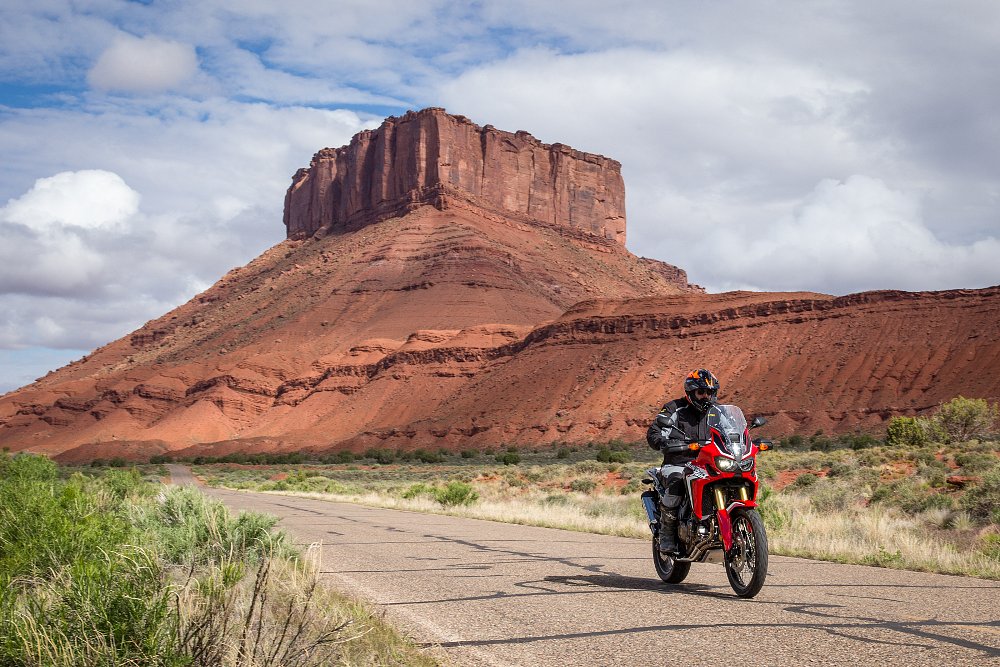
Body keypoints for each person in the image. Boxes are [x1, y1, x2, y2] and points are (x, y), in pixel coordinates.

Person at [645, 368, 720, 553]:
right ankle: (667, 533)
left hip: (708, 464)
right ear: (691, 392)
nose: (706, 396)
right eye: (701, 392)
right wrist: (664, 442)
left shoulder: (717, 412)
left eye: (710, 392)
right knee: (678, 481)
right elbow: (655, 432)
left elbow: (731, 430)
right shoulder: (674, 408)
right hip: (678, 463)